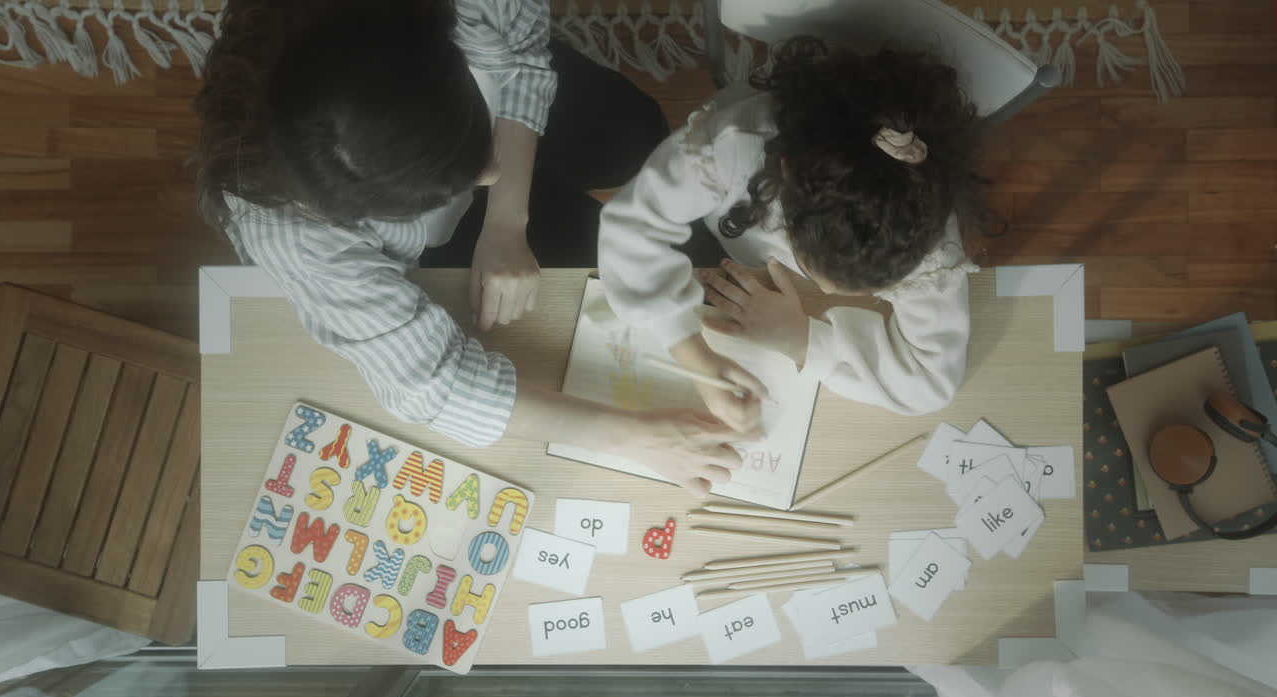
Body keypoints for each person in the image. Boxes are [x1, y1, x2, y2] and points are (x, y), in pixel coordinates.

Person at [193, 0, 752, 496]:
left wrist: (507, 219)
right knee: (578, 262)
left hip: (510, 109)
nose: (491, 175)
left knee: (634, 127)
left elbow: (525, 54)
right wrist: (639, 439)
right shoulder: (291, 232)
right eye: (453, 177)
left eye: (469, 138)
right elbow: (430, 382)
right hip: (450, 234)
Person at [598, 37, 985, 428]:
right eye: (810, 263)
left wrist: (803, 340)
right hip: (727, 229)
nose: (828, 294)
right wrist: (695, 357)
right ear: (786, 174)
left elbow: (932, 381)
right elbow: (631, 226)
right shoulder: (731, 147)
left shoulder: (923, 227)